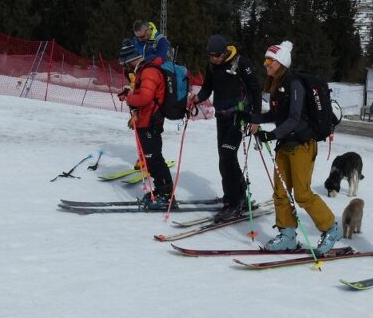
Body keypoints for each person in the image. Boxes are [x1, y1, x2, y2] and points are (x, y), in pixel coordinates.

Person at [250, 41, 342, 254]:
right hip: (285, 145)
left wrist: (270, 135)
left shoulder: (294, 84)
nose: (265, 64)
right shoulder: (275, 84)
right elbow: (276, 115)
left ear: (280, 62)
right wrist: (253, 118)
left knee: (302, 194)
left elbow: (294, 118)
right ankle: (288, 234)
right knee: (280, 193)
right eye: (265, 60)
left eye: (269, 61)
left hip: (302, 145)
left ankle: (331, 228)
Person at [188, 34, 262, 220]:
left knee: (227, 156)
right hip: (221, 117)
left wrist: (256, 118)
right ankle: (237, 195)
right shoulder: (213, 66)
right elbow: (207, 88)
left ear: (225, 52)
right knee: (225, 156)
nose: (213, 59)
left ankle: (233, 202)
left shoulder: (240, 63)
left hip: (239, 116)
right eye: (210, 55)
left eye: (217, 55)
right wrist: (198, 98)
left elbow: (256, 89)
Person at [118, 38, 173, 210]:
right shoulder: (143, 70)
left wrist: (129, 98)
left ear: (129, 61)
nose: (125, 70)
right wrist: (131, 93)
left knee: (154, 159)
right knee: (150, 159)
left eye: (124, 65)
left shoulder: (148, 71)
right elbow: (143, 93)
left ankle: (166, 194)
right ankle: (161, 190)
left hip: (151, 121)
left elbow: (146, 98)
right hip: (146, 119)